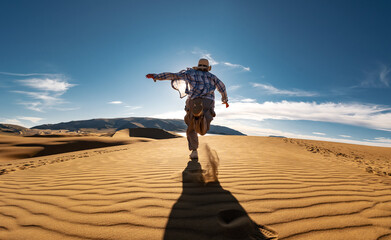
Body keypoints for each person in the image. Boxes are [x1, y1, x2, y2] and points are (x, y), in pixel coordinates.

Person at [146, 58, 229, 159]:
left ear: (198, 66)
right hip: (208, 102)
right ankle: (203, 119)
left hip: (194, 101)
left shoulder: (191, 72)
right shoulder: (213, 77)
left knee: (191, 127)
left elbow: (173, 75)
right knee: (204, 126)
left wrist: (156, 76)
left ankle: (194, 151)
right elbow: (222, 87)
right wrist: (225, 100)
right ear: (208, 67)